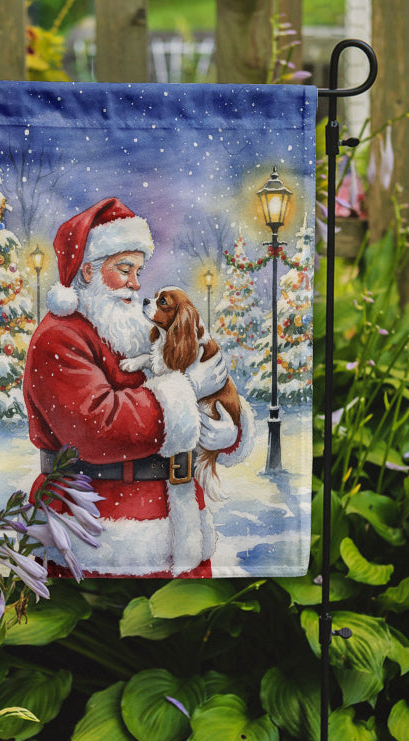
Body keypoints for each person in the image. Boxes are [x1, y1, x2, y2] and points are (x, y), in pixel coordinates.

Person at [23, 197, 253, 578]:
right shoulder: (59, 338)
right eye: (124, 269)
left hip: (181, 526)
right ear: (87, 272)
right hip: (99, 530)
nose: (135, 283)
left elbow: (205, 389)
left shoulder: (140, 332)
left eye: (139, 270)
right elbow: (99, 427)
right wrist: (186, 389)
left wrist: (228, 429)